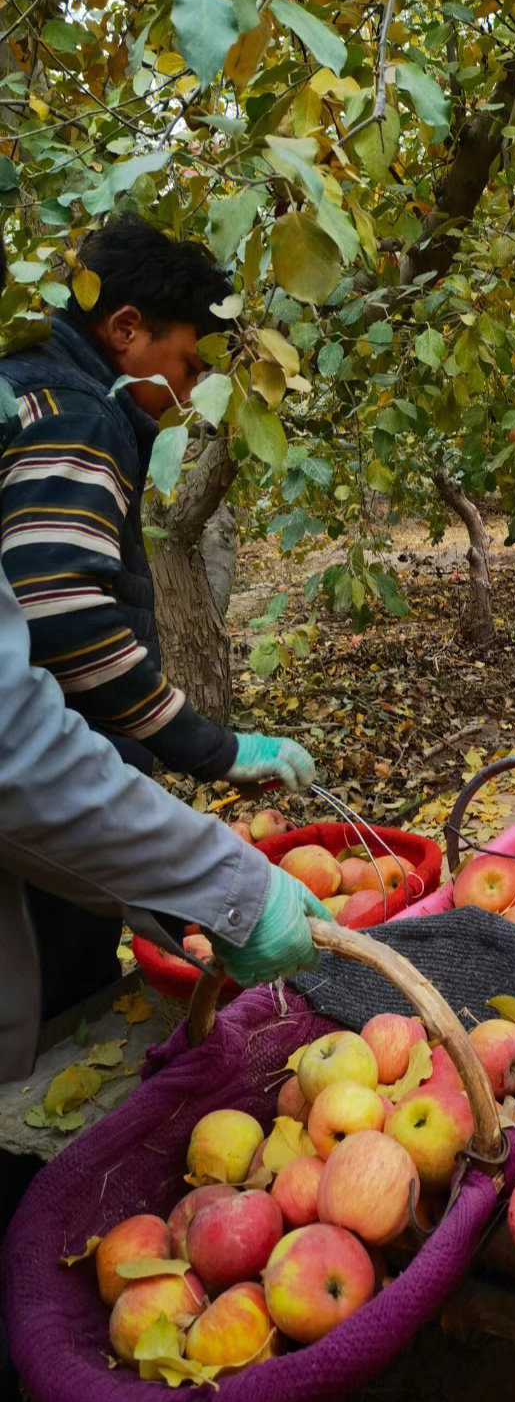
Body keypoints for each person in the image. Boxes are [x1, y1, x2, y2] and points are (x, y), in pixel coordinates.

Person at [0, 217, 317, 1014]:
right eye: (187, 363)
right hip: (50, 811)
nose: (191, 393)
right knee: (61, 1018)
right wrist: (209, 746)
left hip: (49, 798)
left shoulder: (32, 389)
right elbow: (62, 616)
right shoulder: (80, 411)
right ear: (127, 329)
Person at [0, 562, 327, 1084]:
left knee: (74, 1005)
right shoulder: (68, 478)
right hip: (53, 836)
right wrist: (234, 888)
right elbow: (20, 729)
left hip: (62, 849)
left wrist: (213, 751)